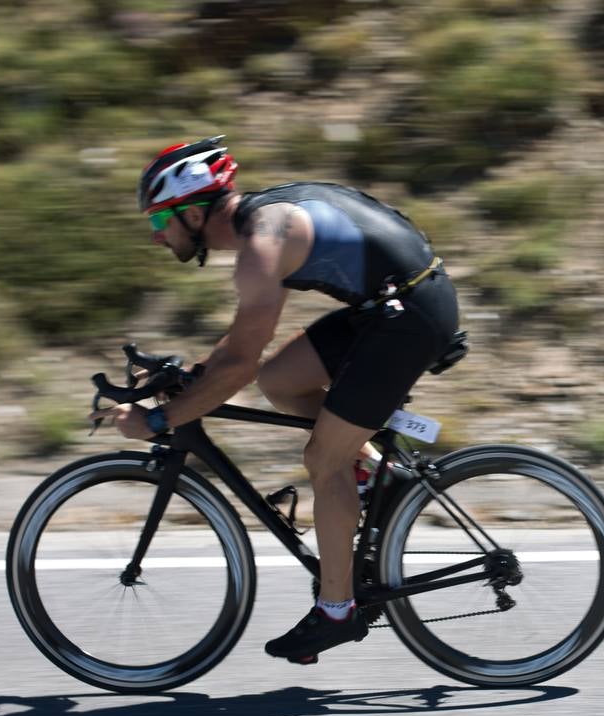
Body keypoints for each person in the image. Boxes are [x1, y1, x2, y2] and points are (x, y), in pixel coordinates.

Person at [89, 136, 460, 664]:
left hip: (407, 317)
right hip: (391, 305)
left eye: (159, 220)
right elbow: (243, 350)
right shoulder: (260, 225)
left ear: (191, 214)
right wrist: (190, 377)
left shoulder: (262, 245)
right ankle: (378, 475)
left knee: (323, 459)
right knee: (281, 381)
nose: (155, 236)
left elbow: (237, 365)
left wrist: (158, 420)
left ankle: (338, 611)